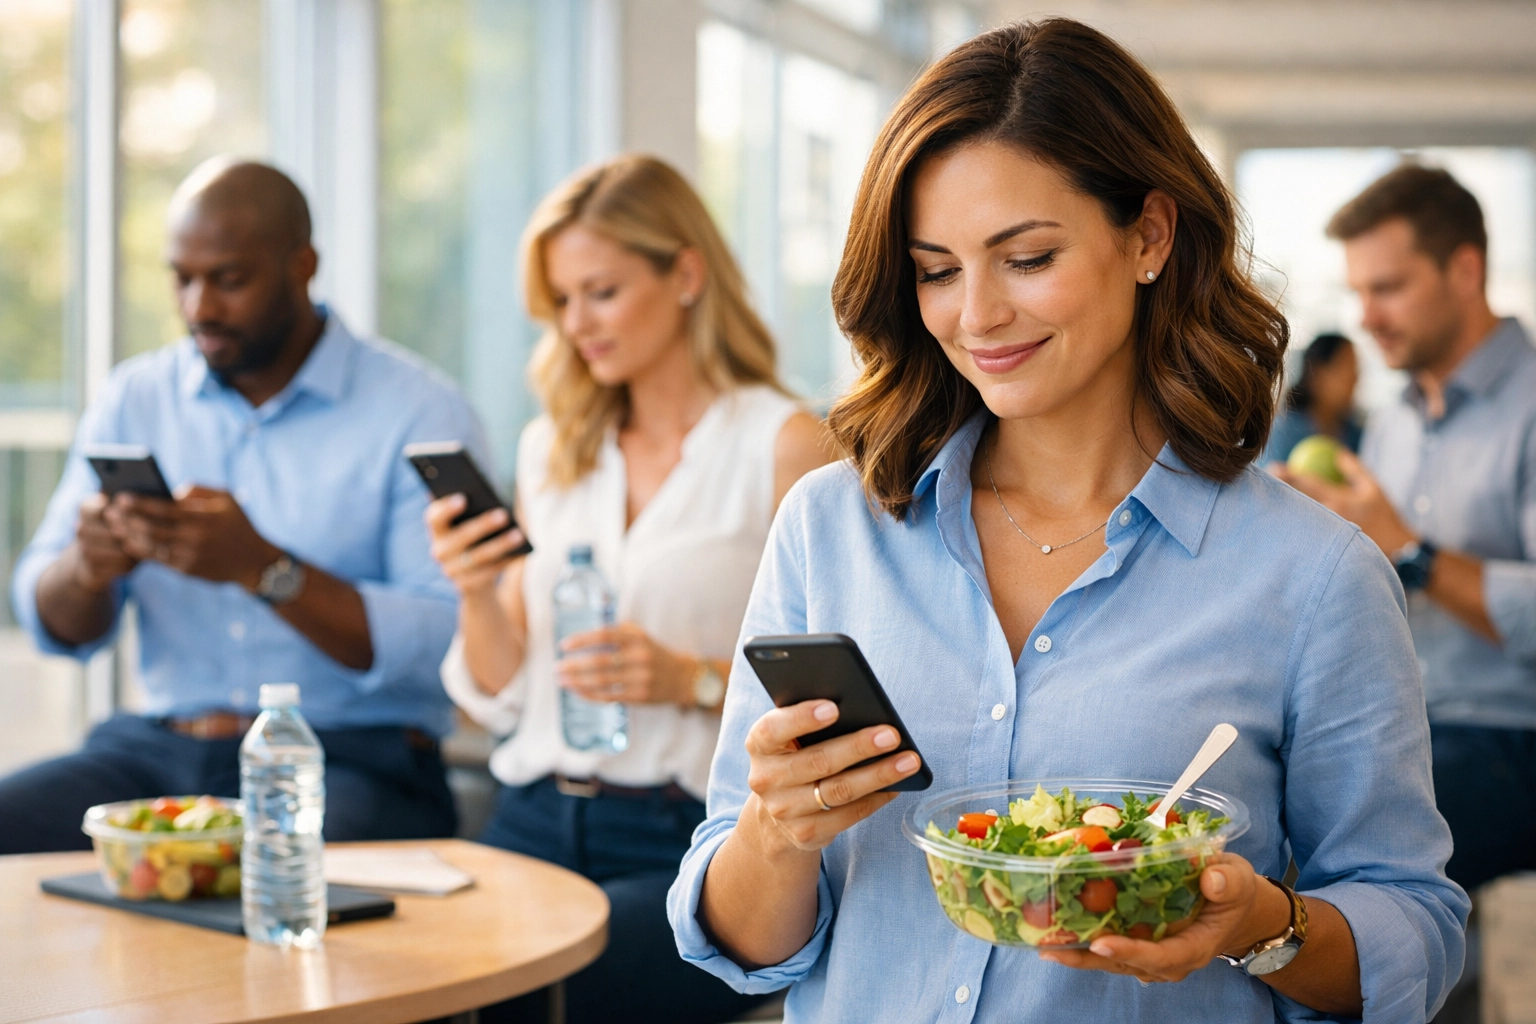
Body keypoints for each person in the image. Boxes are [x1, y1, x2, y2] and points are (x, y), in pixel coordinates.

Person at [668, 20, 1467, 1023]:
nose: (977, 315)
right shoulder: (832, 529)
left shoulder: (1311, 575)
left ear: (1149, 236)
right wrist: (776, 834)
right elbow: (739, 944)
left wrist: (1260, 922)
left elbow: (1417, 930)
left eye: (1027, 256)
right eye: (936, 269)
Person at [425, 154, 831, 1024]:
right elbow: (500, 693)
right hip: (530, 816)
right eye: (562, 301)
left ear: (685, 274)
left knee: (560, 997)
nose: (578, 324)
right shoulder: (552, 450)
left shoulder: (785, 447)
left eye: (600, 292)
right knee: (421, 984)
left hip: (683, 835)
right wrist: (475, 588)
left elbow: (848, 687)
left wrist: (688, 681)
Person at [0, 158, 483, 851]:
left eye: (229, 279)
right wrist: (86, 569)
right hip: (159, 753)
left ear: (302, 266)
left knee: (276, 870)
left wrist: (262, 569)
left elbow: (448, 639)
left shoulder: (420, 412)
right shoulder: (136, 399)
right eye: (182, 278)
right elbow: (51, 620)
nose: (200, 307)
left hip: (350, 760)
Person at [1276, 163, 1536, 894]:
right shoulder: (1391, 425)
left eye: (1387, 288)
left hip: (1504, 736)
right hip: (1402, 725)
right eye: (1358, 292)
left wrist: (1409, 551)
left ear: (1465, 269)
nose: (1365, 316)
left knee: (1304, 877)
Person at [1262, 332, 1362, 464]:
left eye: (1356, 371)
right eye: (1347, 369)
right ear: (1318, 374)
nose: (1355, 380)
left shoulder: (1357, 436)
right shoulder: (1283, 433)